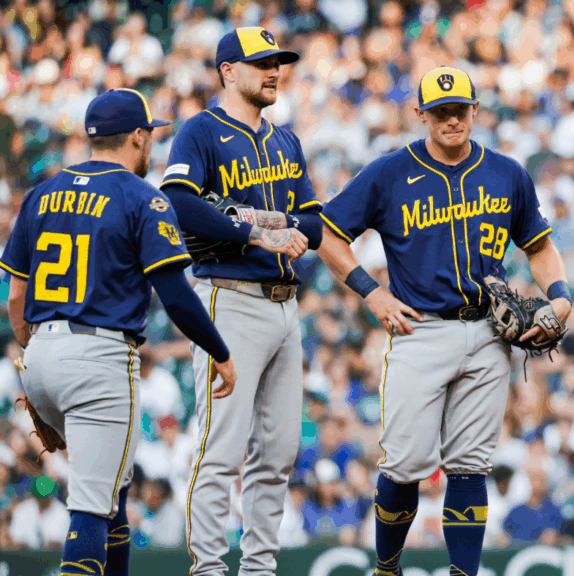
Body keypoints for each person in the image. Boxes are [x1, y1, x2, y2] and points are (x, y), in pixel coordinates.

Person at [316, 66, 571, 576]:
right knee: (405, 465)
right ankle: (386, 568)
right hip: (420, 329)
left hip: (490, 331)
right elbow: (327, 232)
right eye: (440, 112)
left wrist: (560, 298)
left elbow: (539, 245)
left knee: (470, 466)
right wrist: (372, 294)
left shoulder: (506, 173)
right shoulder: (390, 173)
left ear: (475, 110)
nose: (451, 119)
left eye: (460, 109)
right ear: (421, 115)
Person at [0, 88, 237, 576]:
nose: (152, 143)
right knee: (90, 507)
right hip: (100, 361)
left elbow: (16, 300)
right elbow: (174, 294)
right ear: (136, 135)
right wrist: (219, 350)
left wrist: (41, 352)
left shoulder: (41, 194)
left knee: (114, 488)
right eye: (150, 133)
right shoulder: (142, 197)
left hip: (39, 357)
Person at [158, 27, 323, 576]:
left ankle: (258, 568)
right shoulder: (201, 131)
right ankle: (208, 567)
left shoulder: (286, 140)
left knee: (277, 455)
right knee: (221, 447)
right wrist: (254, 232)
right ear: (229, 71)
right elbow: (179, 204)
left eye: (277, 62)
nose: (274, 71)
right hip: (228, 298)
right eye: (261, 63)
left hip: (284, 304)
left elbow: (314, 224)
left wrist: (256, 220)